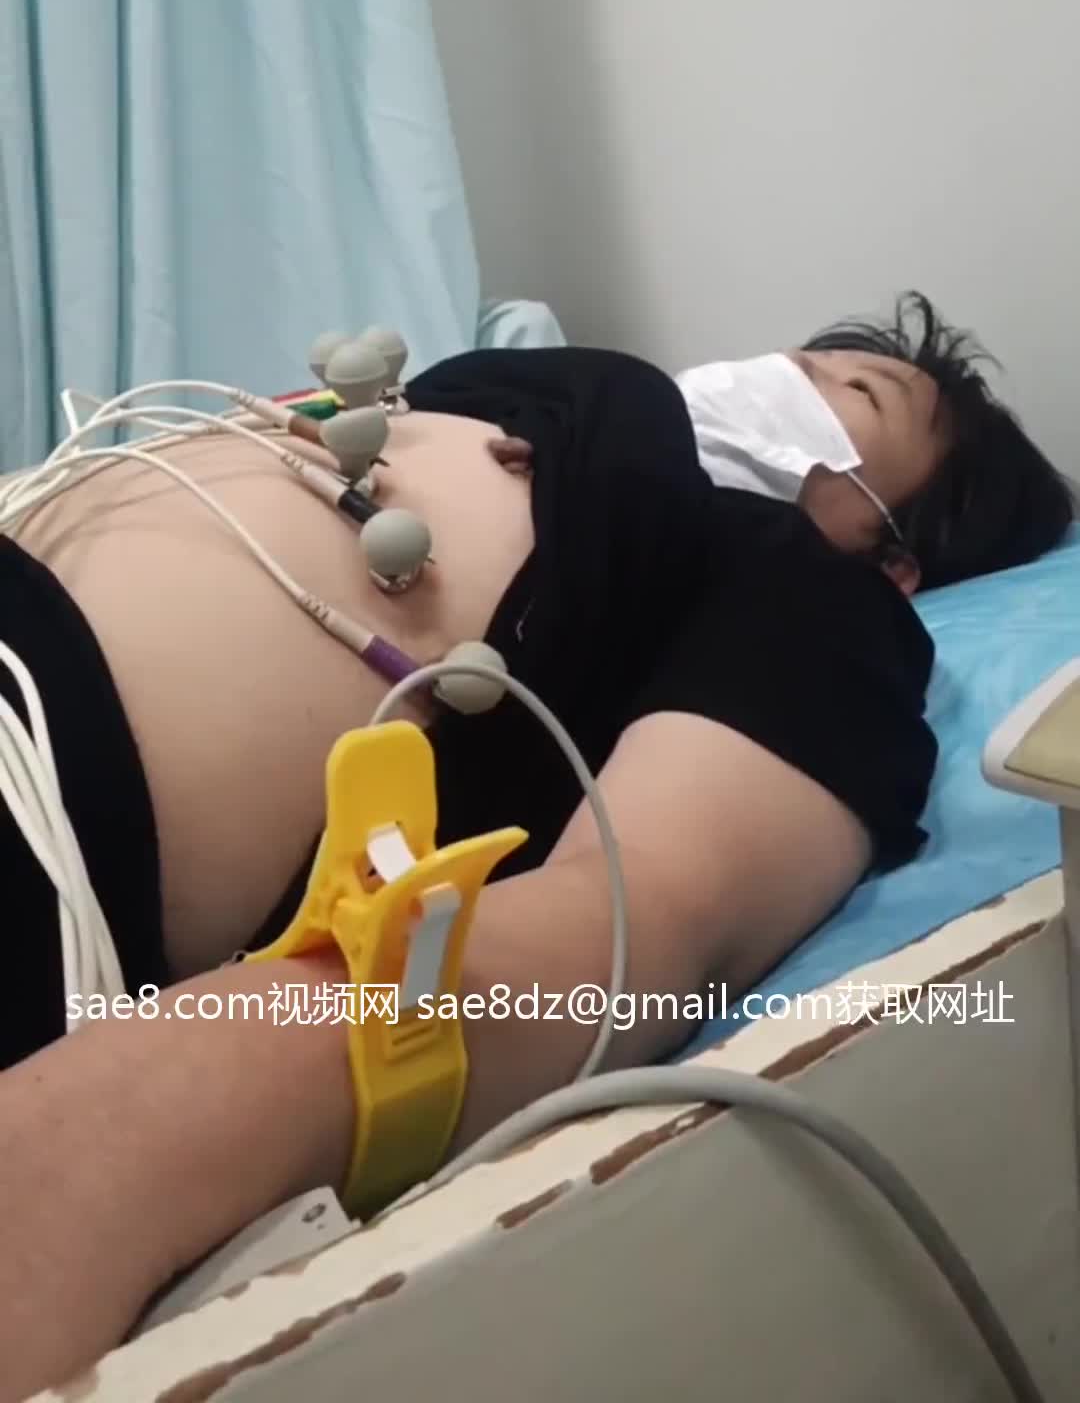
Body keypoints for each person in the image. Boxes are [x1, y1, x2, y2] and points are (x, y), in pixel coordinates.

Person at [0, 291, 1072, 1397]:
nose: (785, 376)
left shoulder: (811, 597)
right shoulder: (501, 404)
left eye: (857, 393)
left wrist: (118, 1130)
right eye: (798, 358)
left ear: (894, 560)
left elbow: (641, 917)